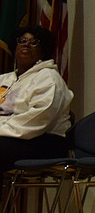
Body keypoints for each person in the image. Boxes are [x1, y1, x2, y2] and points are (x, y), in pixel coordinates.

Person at [0, 25, 74, 172]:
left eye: (34, 42)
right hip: (8, 137)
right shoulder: (4, 79)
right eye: (22, 40)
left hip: (43, 141)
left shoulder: (49, 78)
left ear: (43, 50)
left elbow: (39, 118)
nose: (26, 44)